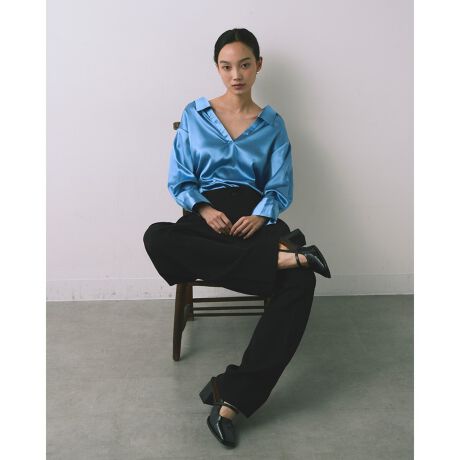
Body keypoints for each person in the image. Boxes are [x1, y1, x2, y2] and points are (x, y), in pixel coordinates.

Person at [143, 28, 331, 449]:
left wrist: (261, 215)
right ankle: (283, 257)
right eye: (226, 66)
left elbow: (279, 185)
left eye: (244, 65)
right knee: (157, 237)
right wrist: (203, 209)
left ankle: (231, 400)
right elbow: (180, 178)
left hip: (254, 219)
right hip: (206, 219)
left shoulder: (272, 123)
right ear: (217, 68)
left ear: (258, 65)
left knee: (303, 281)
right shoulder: (195, 115)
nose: (236, 75)